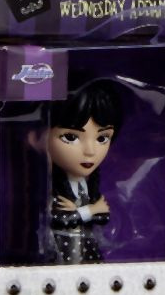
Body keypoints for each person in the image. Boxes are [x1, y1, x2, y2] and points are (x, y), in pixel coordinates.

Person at [34, 81, 121, 264]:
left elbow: (103, 215)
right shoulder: (51, 187)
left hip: (87, 252)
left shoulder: (86, 185)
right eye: (71, 137)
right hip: (61, 253)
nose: (90, 151)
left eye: (102, 138)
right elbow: (59, 219)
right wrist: (91, 210)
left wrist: (83, 212)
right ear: (38, 138)